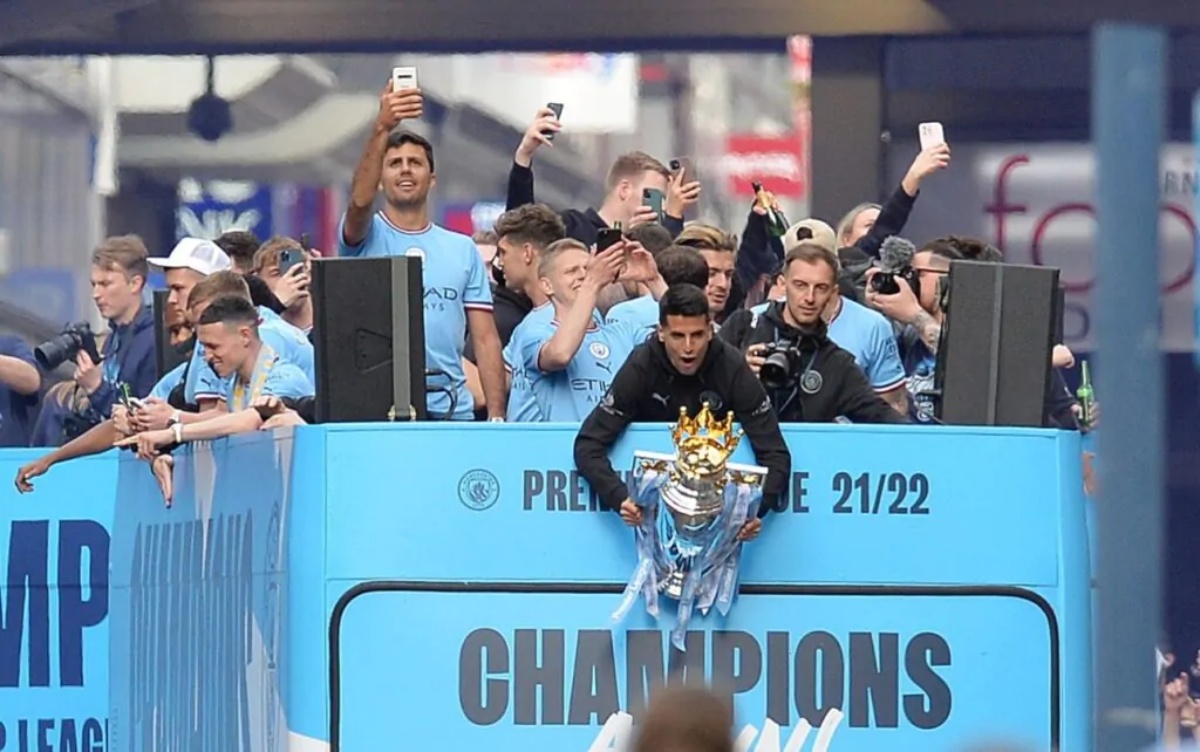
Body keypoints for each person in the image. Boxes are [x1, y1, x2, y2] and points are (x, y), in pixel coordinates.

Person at [338, 80, 505, 421]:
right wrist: (382, 127)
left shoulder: (462, 248)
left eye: (415, 162)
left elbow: (485, 339)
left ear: (432, 179)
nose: (405, 169)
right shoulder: (364, 235)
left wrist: (497, 416)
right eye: (394, 162)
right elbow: (358, 202)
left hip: (451, 410)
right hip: (380, 410)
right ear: (380, 180)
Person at [574, 284, 791, 541]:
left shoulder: (731, 366)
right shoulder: (642, 365)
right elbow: (587, 445)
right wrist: (620, 498)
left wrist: (754, 510)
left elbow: (776, 454)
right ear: (661, 333)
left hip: (716, 514)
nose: (688, 347)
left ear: (711, 331)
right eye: (678, 336)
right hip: (654, 515)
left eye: (697, 335)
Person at [720, 243, 907, 424]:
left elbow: (882, 415)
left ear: (833, 292)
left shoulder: (837, 363)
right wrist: (737, 372)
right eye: (800, 285)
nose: (809, 298)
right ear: (783, 284)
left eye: (820, 288)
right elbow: (697, 386)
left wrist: (930, 441)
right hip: (739, 451)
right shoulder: (744, 327)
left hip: (807, 453)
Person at [504, 239, 649, 422]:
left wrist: (653, 280)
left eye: (588, 269)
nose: (583, 276)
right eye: (571, 271)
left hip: (618, 447)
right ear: (547, 286)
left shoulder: (624, 330)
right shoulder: (535, 333)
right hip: (565, 448)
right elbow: (560, 355)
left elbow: (679, 344)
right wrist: (591, 284)